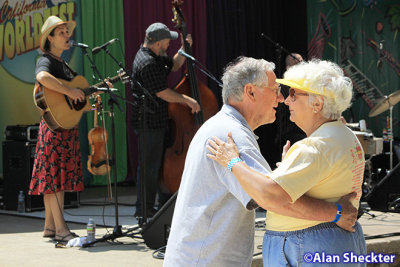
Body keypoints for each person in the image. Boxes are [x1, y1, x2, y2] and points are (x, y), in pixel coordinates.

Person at [163, 57, 358, 266]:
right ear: (251, 92)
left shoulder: (224, 128)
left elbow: (271, 192)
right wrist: (338, 213)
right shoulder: (233, 136)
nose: (282, 99)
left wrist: (286, 173)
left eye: (291, 93)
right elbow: (272, 198)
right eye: (276, 90)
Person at [131, 22, 200, 218]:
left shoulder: (156, 56)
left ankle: (159, 205)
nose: (169, 44)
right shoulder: (148, 62)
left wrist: (183, 49)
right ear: (158, 43)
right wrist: (185, 99)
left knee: (156, 167)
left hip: (158, 119)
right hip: (148, 121)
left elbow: (174, 65)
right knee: (149, 168)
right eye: (168, 41)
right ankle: (143, 210)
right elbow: (162, 92)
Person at [29, 16, 85, 243]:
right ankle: (62, 230)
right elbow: (41, 78)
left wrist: (85, 97)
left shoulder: (63, 65)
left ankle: (50, 226)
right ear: (49, 38)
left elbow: (69, 102)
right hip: (53, 130)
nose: (66, 35)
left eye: (66, 31)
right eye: (61, 32)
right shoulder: (46, 61)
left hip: (63, 127)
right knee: (54, 181)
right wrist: (71, 92)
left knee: (55, 179)